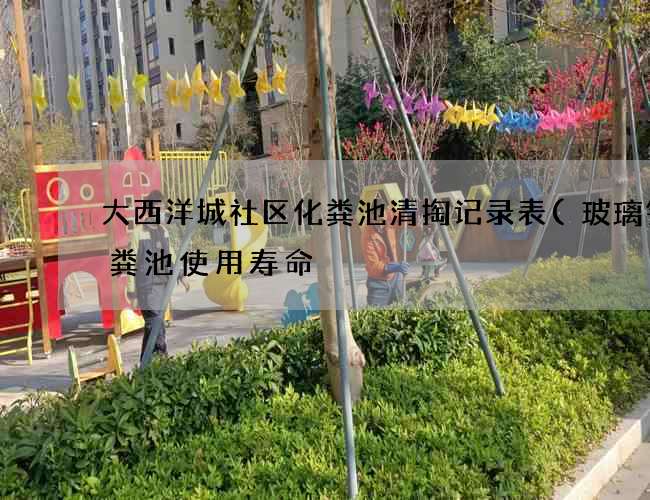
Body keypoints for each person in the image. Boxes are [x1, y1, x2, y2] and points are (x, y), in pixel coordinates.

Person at [127, 190, 190, 362]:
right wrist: (132, 294)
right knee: (156, 324)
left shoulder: (164, 232)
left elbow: (171, 256)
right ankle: (163, 358)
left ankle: (145, 364)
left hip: (163, 286)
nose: (162, 212)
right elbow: (130, 263)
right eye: (158, 208)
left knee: (154, 326)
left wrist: (181, 275)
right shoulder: (138, 233)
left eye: (162, 208)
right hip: (147, 288)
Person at [361, 194, 409, 306]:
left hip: (396, 277)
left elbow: (402, 216)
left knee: (402, 308)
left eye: (382, 219)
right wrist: (393, 266)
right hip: (378, 283)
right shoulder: (367, 236)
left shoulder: (388, 216)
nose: (380, 224)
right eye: (376, 220)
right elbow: (373, 266)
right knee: (375, 313)